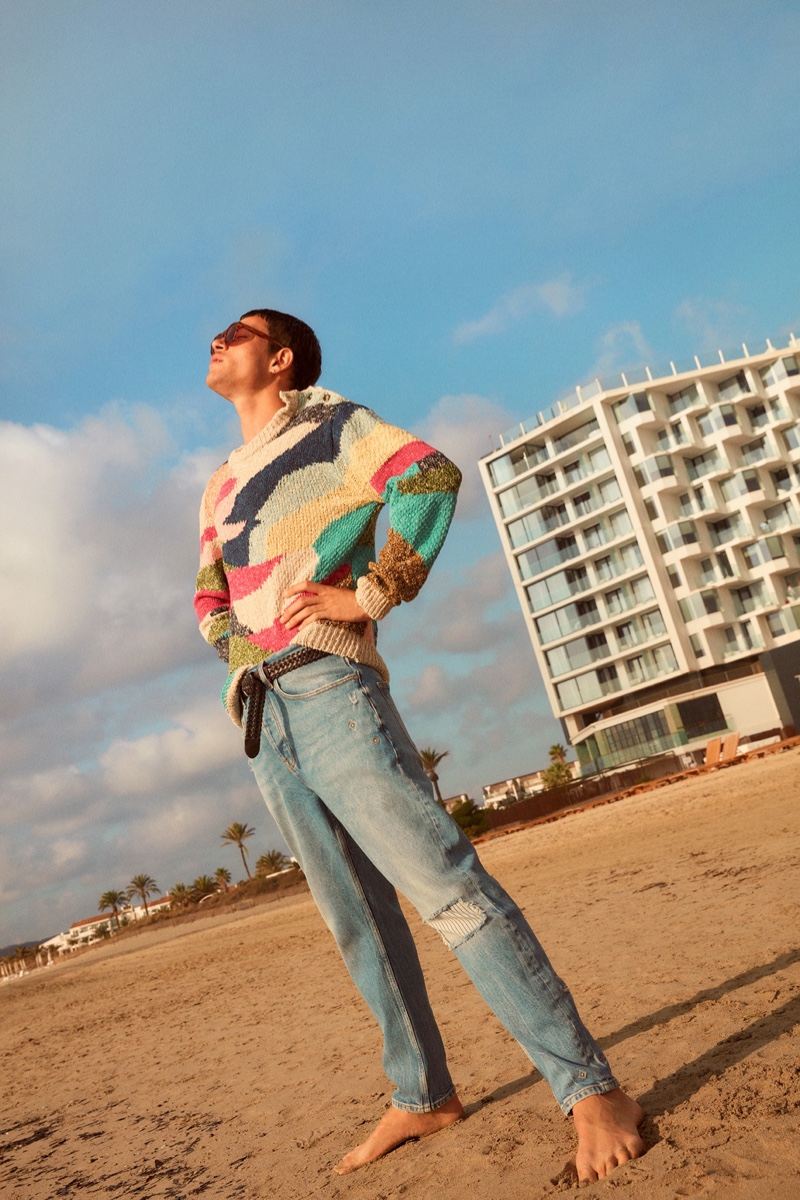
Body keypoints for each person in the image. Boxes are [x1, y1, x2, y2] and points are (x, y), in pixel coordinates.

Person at [194, 308, 645, 1182]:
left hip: (330, 688)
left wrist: (372, 593)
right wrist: (244, 655)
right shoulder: (217, 483)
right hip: (261, 714)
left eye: (238, 331)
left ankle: (592, 1089)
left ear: (281, 359)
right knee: (354, 922)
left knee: (448, 890)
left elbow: (430, 476)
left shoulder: (332, 424)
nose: (218, 340)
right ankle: (422, 1095)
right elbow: (210, 591)